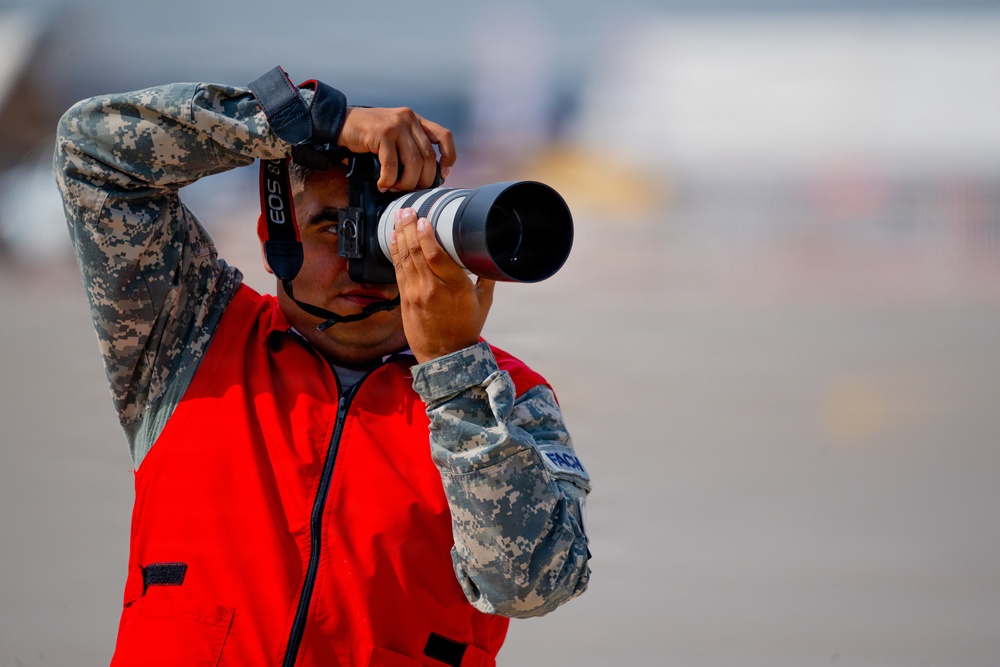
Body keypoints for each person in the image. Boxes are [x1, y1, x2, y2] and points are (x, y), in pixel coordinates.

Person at [53, 66, 591, 667]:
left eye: (388, 231)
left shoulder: (506, 394)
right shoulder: (192, 335)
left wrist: (454, 373)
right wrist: (305, 122)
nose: (365, 261)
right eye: (333, 226)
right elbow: (93, 151)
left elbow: (533, 585)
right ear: (272, 235)